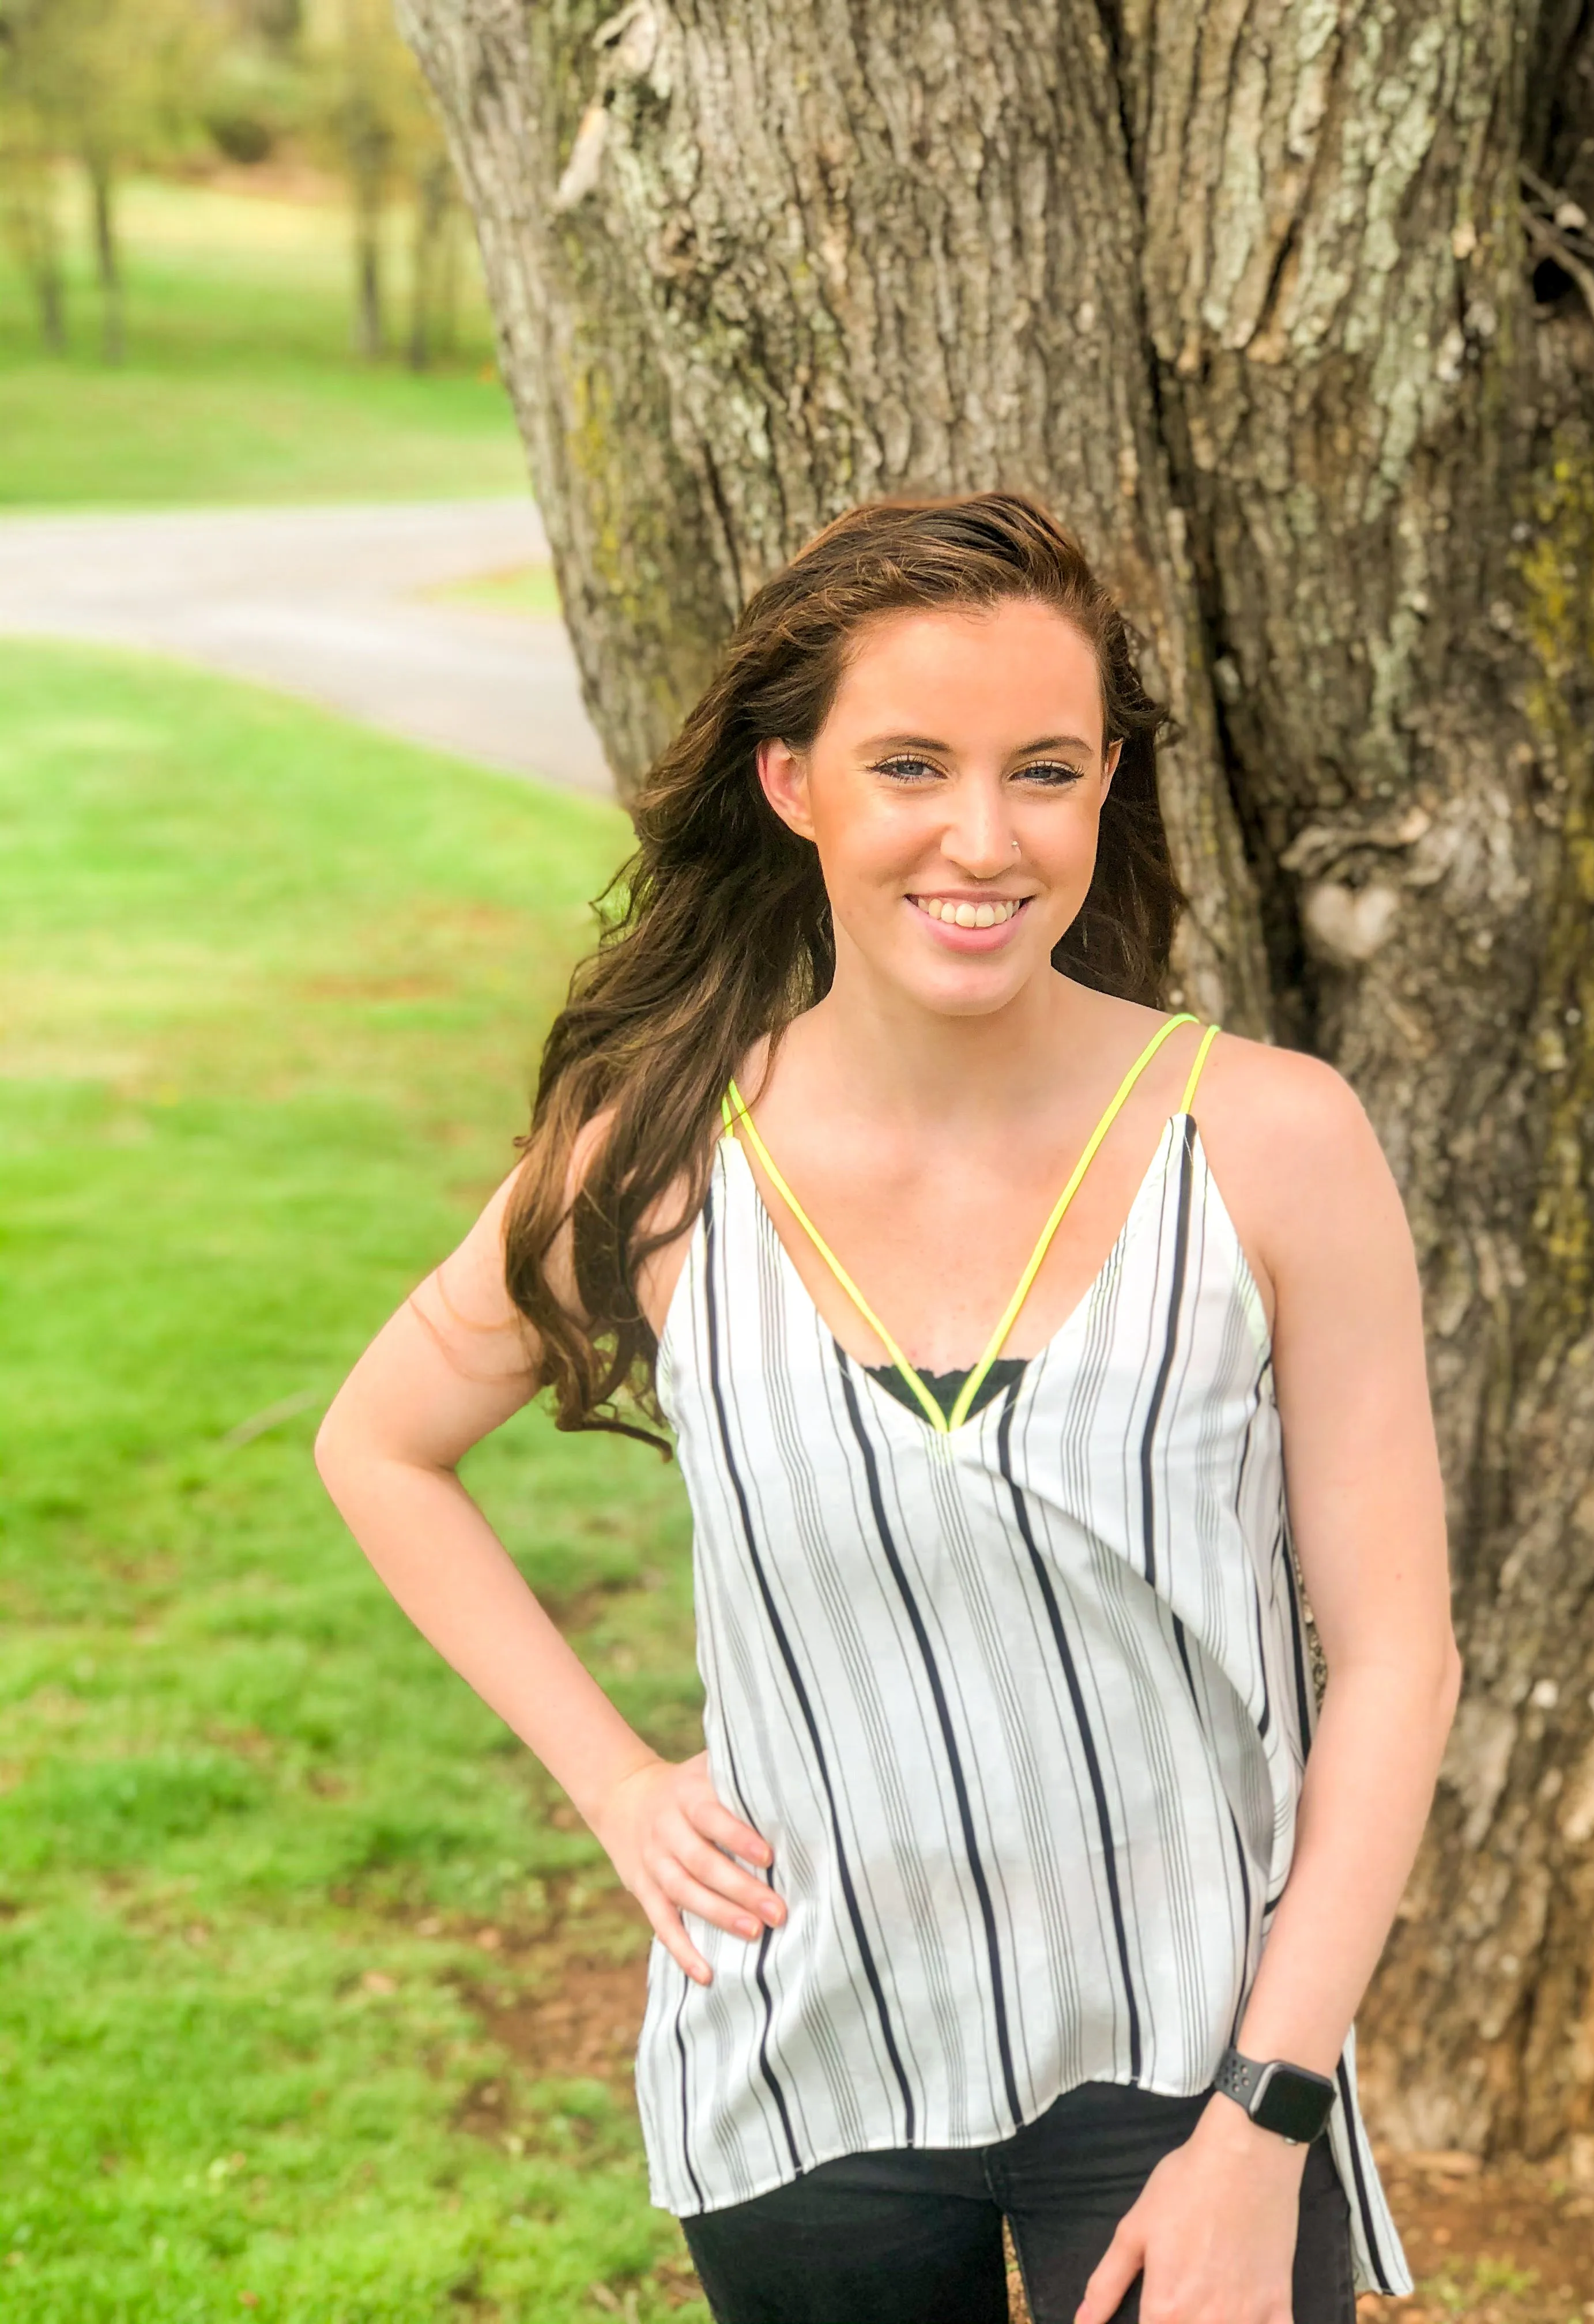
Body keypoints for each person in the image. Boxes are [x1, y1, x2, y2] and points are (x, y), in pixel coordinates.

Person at [314, 491, 1460, 2324]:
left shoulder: (1270, 1141)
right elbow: (377, 1445)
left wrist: (1268, 2115)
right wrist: (611, 1780)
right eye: (911, 765)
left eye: (1047, 771)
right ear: (794, 786)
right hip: (804, 2059)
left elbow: (1401, 1661)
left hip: (1189, 2060)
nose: (983, 840)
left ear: (1102, 793)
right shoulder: (660, 1151)